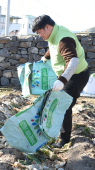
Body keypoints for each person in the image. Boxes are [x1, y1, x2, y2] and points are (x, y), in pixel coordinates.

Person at [32, 15, 89, 148]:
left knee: (63, 106)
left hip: (77, 75)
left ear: (47, 27)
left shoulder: (63, 38)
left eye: (40, 31)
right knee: (59, 104)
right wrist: (45, 57)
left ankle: (64, 140)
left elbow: (73, 61)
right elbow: (54, 48)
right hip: (70, 74)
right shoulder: (54, 34)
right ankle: (57, 132)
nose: (39, 35)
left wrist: (62, 80)